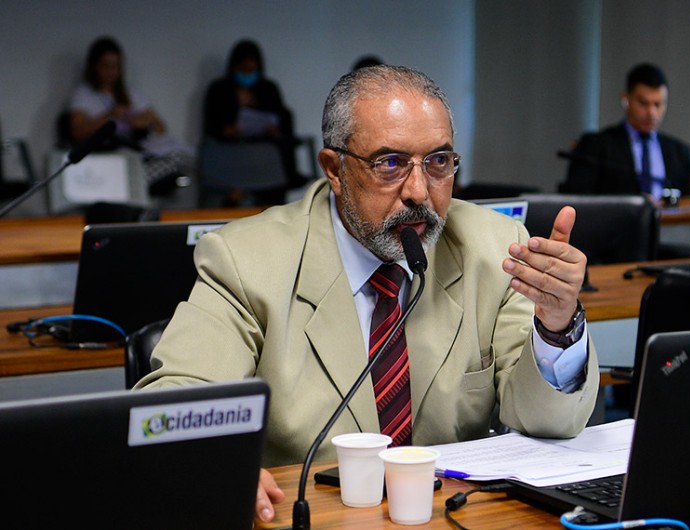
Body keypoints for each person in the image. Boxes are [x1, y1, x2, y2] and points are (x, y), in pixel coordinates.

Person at [136, 65, 599, 524]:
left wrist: (558, 323)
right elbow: (174, 406)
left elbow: (547, 423)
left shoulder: (493, 248)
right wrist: (217, 462)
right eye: (390, 163)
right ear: (334, 169)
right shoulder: (247, 260)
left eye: (438, 162)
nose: (420, 192)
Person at [67, 36, 194, 193]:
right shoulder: (84, 94)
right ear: (94, 66)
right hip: (111, 157)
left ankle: (135, 188)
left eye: (115, 66)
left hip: (140, 155)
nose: (111, 72)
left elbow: (161, 128)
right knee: (134, 168)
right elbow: (77, 132)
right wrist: (110, 115)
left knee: (180, 156)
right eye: (106, 66)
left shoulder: (131, 93)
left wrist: (144, 121)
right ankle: (132, 188)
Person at [562, 63, 690, 203]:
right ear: (626, 99)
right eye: (643, 103)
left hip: (670, 223)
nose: (651, 113)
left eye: (658, 104)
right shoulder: (597, 146)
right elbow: (577, 199)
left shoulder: (679, 152)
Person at [202, 38, 301, 205]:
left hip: (263, 153)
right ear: (234, 67)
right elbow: (212, 126)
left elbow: (282, 118)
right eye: (243, 69)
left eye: (252, 69)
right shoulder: (219, 90)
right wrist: (230, 128)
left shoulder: (268, 89)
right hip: (230, 152)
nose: (248, 74)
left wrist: (271, 128)